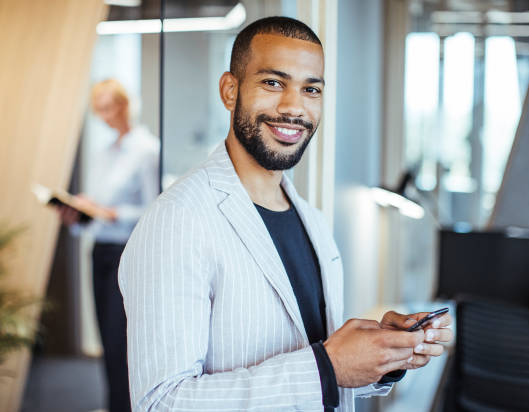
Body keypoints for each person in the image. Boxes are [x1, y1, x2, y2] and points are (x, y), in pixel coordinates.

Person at [118, 17, 452, 411]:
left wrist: (380, 356)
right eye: (273, 83)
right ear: (230, 90)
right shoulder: (177, 221)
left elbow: (317, 374)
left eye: (310, 89)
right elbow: (161, 403)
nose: (294, 106)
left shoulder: (312, 220)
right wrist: (328, 368)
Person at [57, 78, 159, 412]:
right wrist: (79, 213)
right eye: (98, 109)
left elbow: (154, 209)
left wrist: (112, 213)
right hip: (99, 251)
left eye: (108, 107)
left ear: (124, 105)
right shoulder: (104, 153)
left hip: (125, 255)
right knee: (105, 339)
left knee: (120, 342)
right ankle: (113, 404)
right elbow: (95, 207)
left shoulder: (146, 150)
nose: (103, 115)